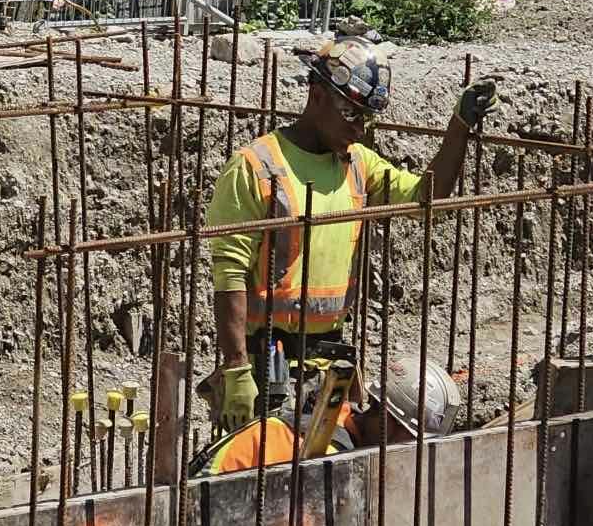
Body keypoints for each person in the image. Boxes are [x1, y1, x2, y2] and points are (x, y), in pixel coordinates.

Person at [204, 36, 495, 433]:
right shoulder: (256, 166)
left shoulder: (358, 164)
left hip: (329, 368)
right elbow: (229, 277)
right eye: (351, 113)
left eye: (366, 118)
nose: (359, 129)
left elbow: (427, 200)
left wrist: (458, 127)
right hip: (267, 365)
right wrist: (236, 367)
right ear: (318, 95)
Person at [196, 356, 456, 475]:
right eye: (410, 440)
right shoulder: (326, 454)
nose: (413, 456)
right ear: (386, 419)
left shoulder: (343, 429)